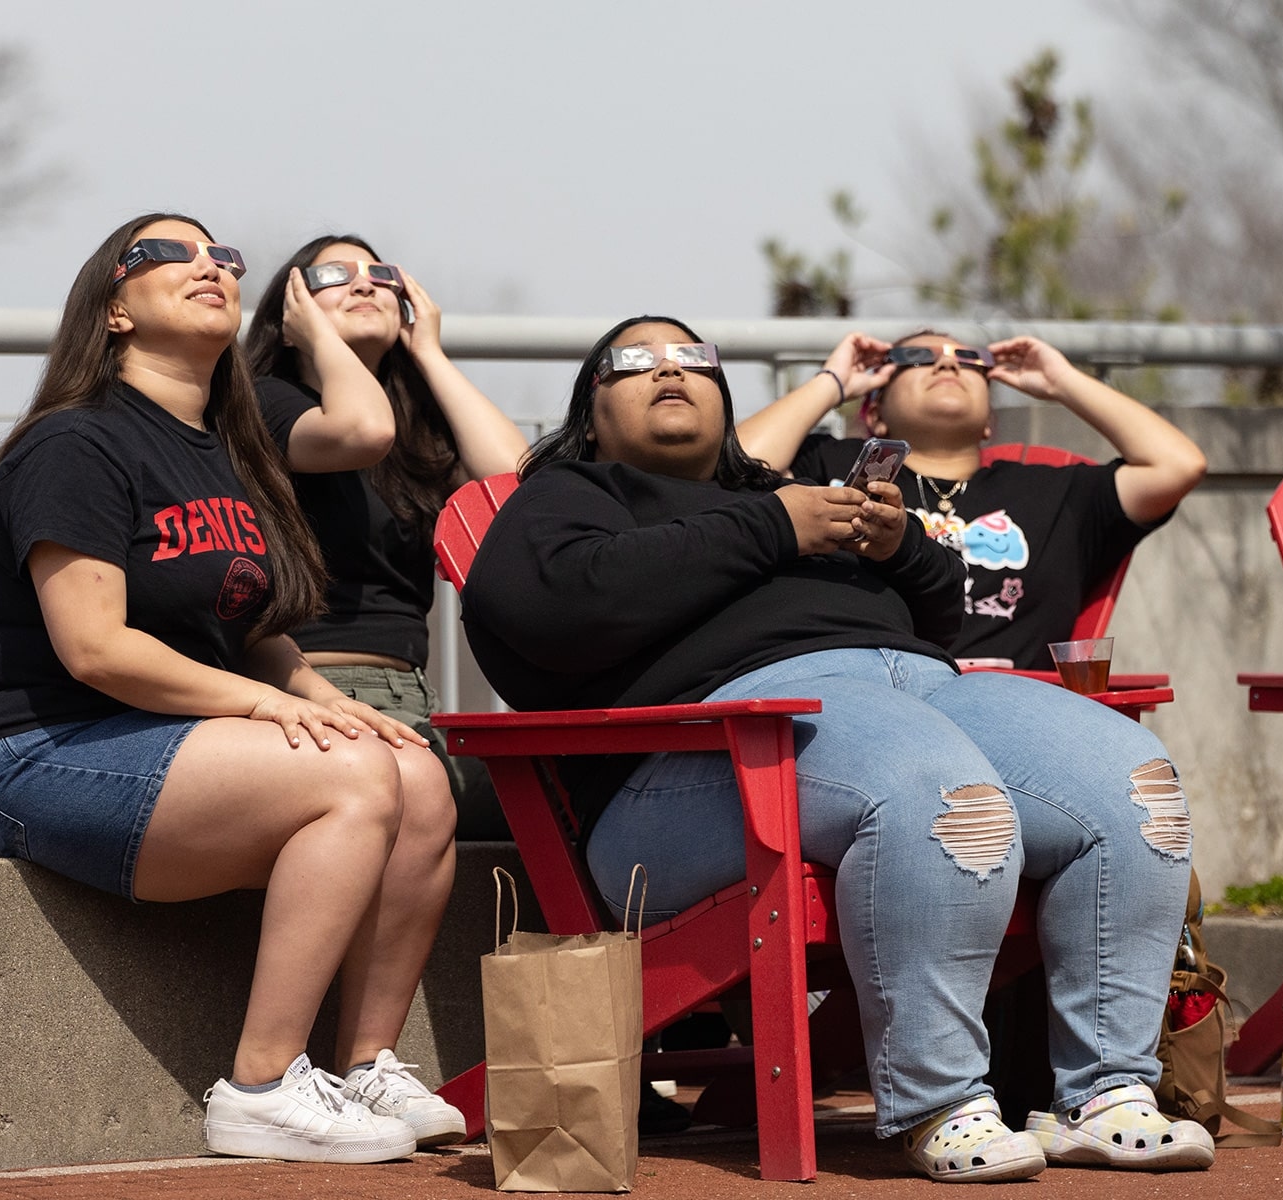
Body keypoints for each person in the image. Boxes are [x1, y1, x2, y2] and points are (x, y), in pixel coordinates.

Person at [463, 316, 1215, 1183]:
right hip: (708, 758)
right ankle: (941, 1100)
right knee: (936, 790)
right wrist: (772, 530)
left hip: (924, 695)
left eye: (693, 360)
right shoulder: (572, 499)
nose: (669, 371)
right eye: (635, 362)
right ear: (591, 413)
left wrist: (902, 551)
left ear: (724, 396)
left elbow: (941, 619)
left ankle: (1105, 1091)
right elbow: (544, 608)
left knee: (1133, 786)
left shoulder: (786, 497)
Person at [0, 214, 464, 1162]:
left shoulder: (228, 450)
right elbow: (96, 649)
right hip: (37, 746)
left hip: (155, 741)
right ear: (115, 309)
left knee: (414, 774)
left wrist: (316, 690)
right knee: (351, 779)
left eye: (221, 255)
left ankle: (365, 1067)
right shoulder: (77, 442)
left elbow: (249, 625)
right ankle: (260, 1088)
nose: (206, 265)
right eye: (167, 254)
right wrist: (273, 705)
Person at [244, 235, 528, 836]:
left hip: (410, 697)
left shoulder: (414, 431)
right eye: (335, 276)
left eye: (381, 274)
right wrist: (316, 342)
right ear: (290, 307)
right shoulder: (267, 404)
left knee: (536, 800)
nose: (367, 283)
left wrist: (428, 354)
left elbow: (514, 481)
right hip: (304, 687)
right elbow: (359, 430)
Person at [737, 330, 1206, 668]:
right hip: (870, 699)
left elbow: (1178, 465)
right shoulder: (829, 466)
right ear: (874, 413)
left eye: (967, 359)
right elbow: (734, 471)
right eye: (917, 356)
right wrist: (832, 382)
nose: (947, 364)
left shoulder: (1055, 494)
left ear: (988, 424)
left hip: (1012, 714)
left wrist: (1062, 382)